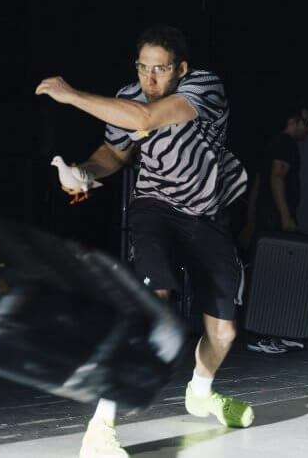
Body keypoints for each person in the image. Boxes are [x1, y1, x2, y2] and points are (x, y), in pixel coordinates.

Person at [35, 24, 253, 458]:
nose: (149, 80)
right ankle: (100, 428)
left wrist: (72, 95)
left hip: (208, 216)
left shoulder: (204, 87)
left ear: (181, 70)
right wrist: (83, 173)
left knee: (224, 332)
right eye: (142, 68)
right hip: (156, 209)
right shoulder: (128, 96)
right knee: (152, 306)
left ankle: (201, 392)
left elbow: (147, 120)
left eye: (160, 70)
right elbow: (114, 154)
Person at [239, 100, 308, 354]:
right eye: (307, 121)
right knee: (274, 277)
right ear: (294, 121)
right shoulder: (285, 144)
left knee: (276, 276)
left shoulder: (273, 144)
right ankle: (260, 335)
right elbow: (276, 177)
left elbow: (257, 185)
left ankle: (281, 332)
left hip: (265, 219)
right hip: (274, 220)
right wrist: (285, 216)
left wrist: (250, 223)